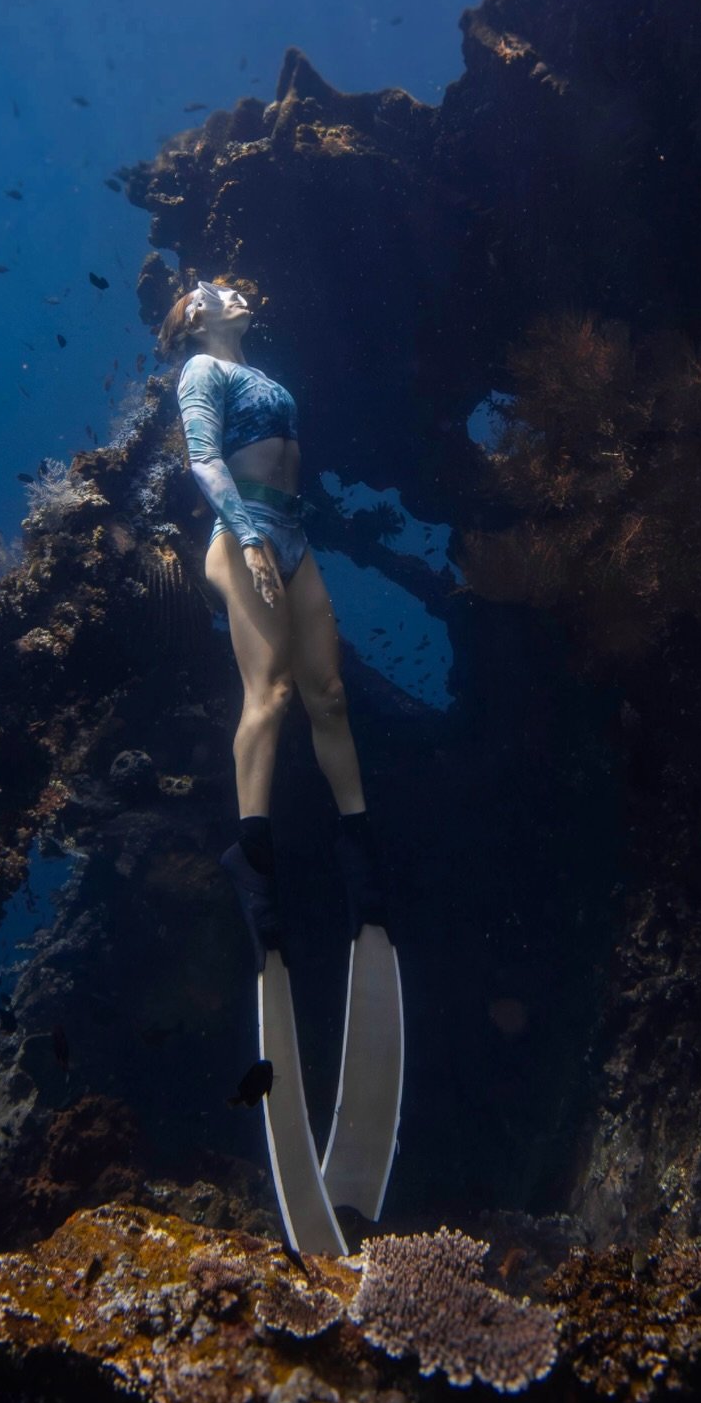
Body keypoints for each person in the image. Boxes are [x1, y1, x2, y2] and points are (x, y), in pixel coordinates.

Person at [157, 279, 403, 1254]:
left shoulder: (260, 367)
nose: (234, 286)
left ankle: (359, 847)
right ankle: (253, 866)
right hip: (243, 530)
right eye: (212, 284)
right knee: (269, 699)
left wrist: (284, 532)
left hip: (292, 534)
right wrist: (251, 535)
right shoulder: (202, 369)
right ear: (190, 313)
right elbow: (204, 460)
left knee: (329, 699)